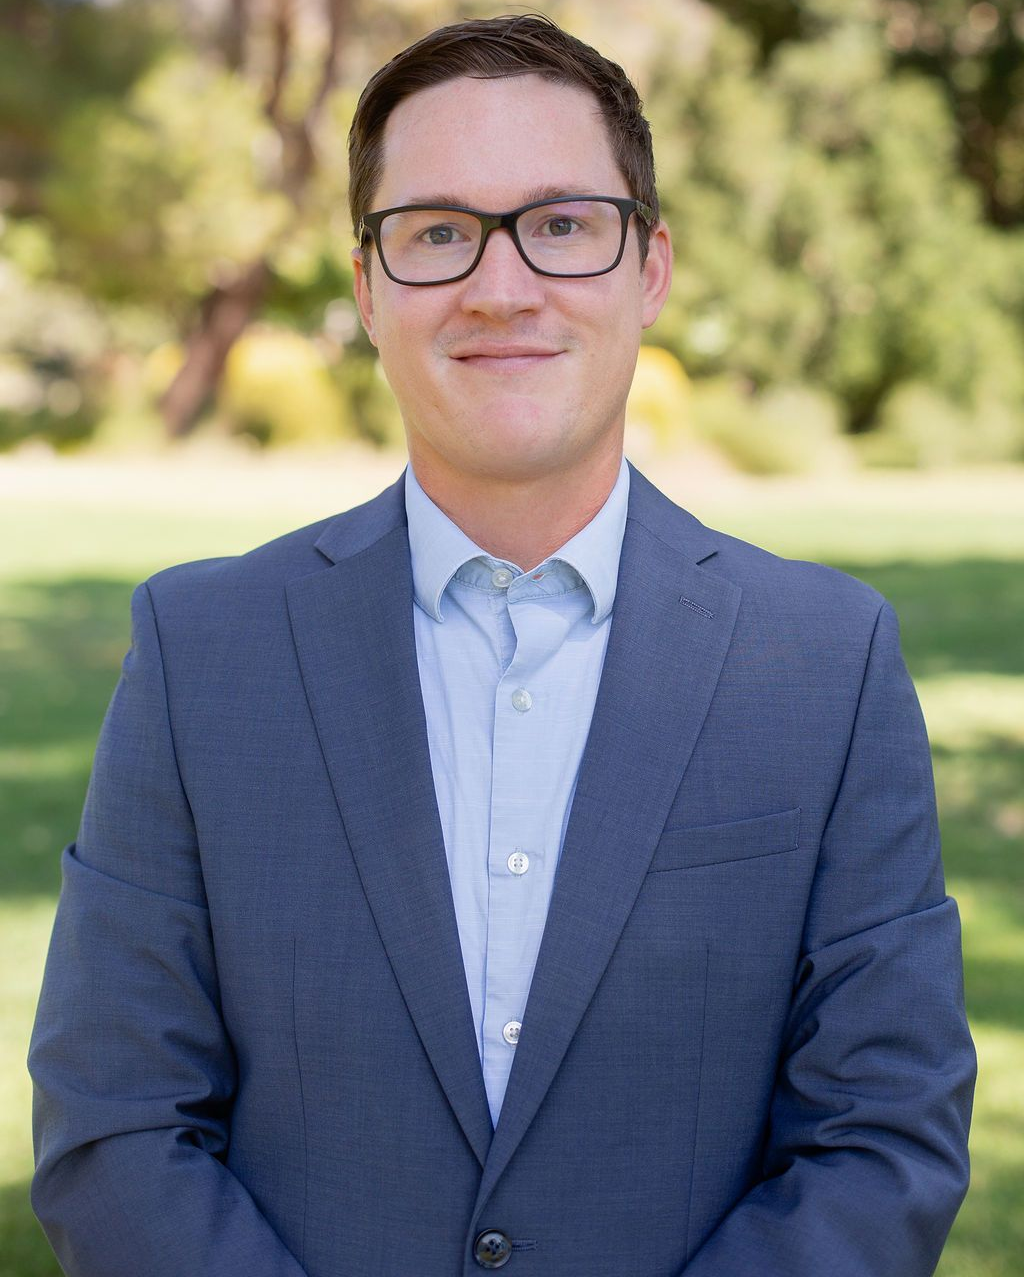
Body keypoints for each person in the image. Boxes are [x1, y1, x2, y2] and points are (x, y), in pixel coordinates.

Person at [29, 14, 976, 1277]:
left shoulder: (825, 663)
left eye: (562, 224)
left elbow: (882, 1137)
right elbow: (115, 1124)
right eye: (437, 232)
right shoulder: (200, 654)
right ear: (366, 288)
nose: (500, 285)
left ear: (649, 268)